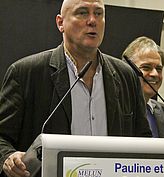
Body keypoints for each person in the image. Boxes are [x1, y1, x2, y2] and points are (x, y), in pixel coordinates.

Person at [0, 0, 152, 177]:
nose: (92, 20)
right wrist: (8, 157)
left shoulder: (126, 75)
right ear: (60, 23)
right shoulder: (26, 73)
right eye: (82, 13)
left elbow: (143, 139)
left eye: (98, 13)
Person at [122, 36, 164, 139]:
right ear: (127, 70)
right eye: (146, 67)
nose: (155, 74)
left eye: (159, 69)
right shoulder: (116, 109)